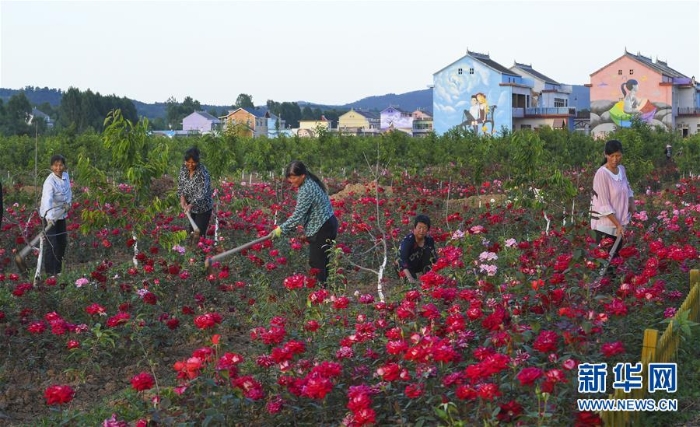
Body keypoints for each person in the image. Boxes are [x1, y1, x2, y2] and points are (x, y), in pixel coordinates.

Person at [270, 161, 338, 286]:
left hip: (323, 227)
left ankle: (320, 296)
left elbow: (297, 215)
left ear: (302, 176)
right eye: (289, 178)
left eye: (294, 177)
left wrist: (281, 229)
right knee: (322, 263)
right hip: (327, 224)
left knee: (317, 264)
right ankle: (325, 293)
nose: (292, 181)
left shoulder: (307, 189)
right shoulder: (308, 183)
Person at [590, 139, 635, 277]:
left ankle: (613, 294)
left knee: (615, 262)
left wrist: (631, 202)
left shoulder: (622, 170)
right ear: (606, 155)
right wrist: (617, 224)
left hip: (619, 225)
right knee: (606, 265)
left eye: (618, 156)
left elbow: (627, 188)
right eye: (612, 156)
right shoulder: (601, 174)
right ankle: (603, 294)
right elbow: (604, 204)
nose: (615, 159)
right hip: (605, 226)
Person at [39, 154, 72, 276]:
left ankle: (58, 271)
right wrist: (49, 218)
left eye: (61, 165)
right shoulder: (49, 182)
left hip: (61, 215)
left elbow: (68, 191)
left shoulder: (66, 176)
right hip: (50, 217)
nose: (58, 167)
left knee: (62, 242)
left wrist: (68, 203)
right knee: (52, 244)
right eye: (56, 165)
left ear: (64, 166)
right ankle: (50, 273)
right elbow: (47, 200)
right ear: (52, 167)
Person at [177, 147, 213, 240]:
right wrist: (182, 199)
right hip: (191, 208)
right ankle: (192, 252)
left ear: (198, 161)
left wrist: (191, 205)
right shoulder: (183, 169)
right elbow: (180, 185)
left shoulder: (202, 173)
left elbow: (202, 193)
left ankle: (200, 253)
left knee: (199, 235)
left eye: (193, 162)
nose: (190, 165)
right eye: (188, 162)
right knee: (192, 233)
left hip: (202, 208)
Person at [397, 214, 437, 284]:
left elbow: (434, 258)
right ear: (415, 228)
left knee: (428, 251)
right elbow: (402, 261)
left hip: (418, 263)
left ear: (428, 229)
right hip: (405, 267)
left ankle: (428, 279)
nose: (421, 231)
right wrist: (410, 278)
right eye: (419, 227)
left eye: (424, 228)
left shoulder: (429, 240)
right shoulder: (408, 241)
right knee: (412, 285)